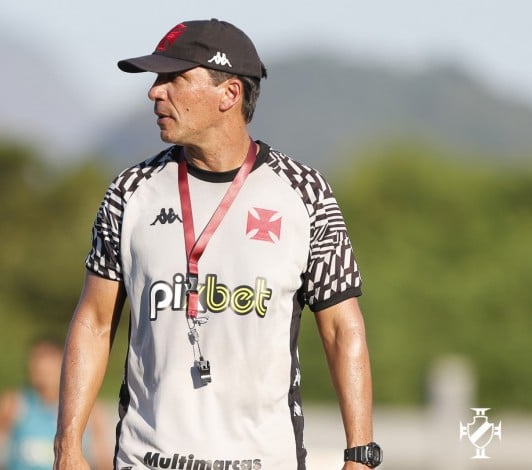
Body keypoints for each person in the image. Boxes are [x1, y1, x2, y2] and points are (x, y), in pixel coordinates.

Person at [53, 18, 381, 470]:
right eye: (156, 79)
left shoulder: (305, 193)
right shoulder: (129, 192)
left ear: (229, 93)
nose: (155, 92)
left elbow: (343, 328)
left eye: (173, 78)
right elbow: (93, 321)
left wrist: (360, 455)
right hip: (147, 461)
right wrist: (67, 446)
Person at [0, 338, 111, 470]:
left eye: (49, 367)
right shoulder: (13, 404)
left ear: (65, 365)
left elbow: (103, 461)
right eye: (38, 366)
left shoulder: (89, 410)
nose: (43, 373)